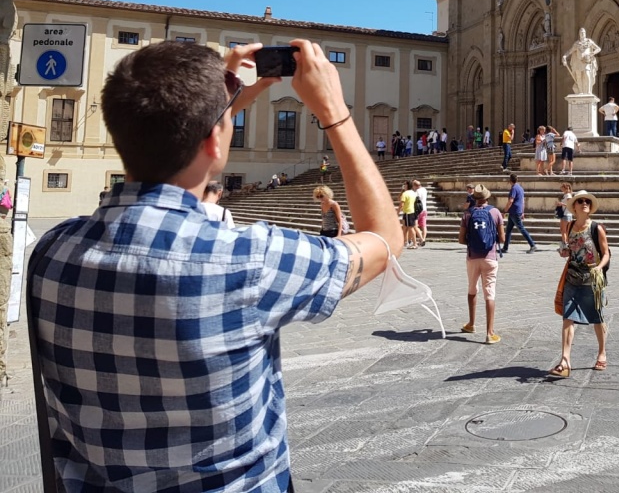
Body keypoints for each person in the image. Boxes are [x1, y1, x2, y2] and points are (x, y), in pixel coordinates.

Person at [27, 39, 403, 491]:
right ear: (214, 139)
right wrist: (335, 114)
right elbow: (385, 238)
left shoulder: (52, 253)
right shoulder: (249, 261)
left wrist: (214, 100)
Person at [549, 191, 609, 378]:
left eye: (587, 202)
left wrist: (599, 267)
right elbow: (570, 249)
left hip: (592, 279)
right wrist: (564, 252)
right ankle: (565, 361)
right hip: (572, 277)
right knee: (568, 318)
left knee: (597, 318)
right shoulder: (569, 226)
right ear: (574, 207)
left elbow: (606, 253)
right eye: (580, 201)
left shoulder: (596, 228)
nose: (584, 203)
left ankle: (602, 353)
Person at [459, 184, 504, 344]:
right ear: (487, 197)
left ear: (474, 198)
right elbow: (503, 238)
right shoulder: (495, 212)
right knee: (489, 293)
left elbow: (461, 239)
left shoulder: (468, 214)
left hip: (472, 256)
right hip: (490, 257)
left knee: (472, 289)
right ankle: (490, 333)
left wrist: (474, 242)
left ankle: (471, 324)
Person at [502, 173, 537, 254]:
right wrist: (523, 211)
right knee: (508, 230)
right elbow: (522, 201)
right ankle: (505, 247)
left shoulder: (513, 188)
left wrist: (504, 210)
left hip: (514, 211)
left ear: (510, 180)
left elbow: (511, 201)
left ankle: (532, 245)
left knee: (521, 228)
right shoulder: (520, 188)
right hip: (516, 211)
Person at [561, 28, 602, 96]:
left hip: (586, 61)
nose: (582, 34)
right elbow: (570, 51)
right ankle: (580, 91)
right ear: (579, 34)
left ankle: (589, 91)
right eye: (581, 33)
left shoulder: (589, 42)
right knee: (578, 76)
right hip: (578, 62)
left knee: (587, 74)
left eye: (583, 33)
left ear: (585, 33)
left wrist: (592, 53)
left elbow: (598, 49)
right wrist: (565, 56)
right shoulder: (576, 44)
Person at [398, 179, 421, 249]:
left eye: (405, 184)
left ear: (408, 185)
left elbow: (401, 205)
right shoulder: (413, 193)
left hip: (408, 212)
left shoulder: (405, 194)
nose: (403, 185)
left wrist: (397, 212)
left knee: (411, 228)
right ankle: (404, 242)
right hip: (412, 212)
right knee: (405, 227)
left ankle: (415, 243)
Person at [413, 179, 429, 246]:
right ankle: (424, 239)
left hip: (418, 210)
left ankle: (421, 239)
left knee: (414, 226)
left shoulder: (417, 191)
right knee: (424, 226)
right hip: (424, 209)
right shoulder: (424, 189)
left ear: (415, 186)